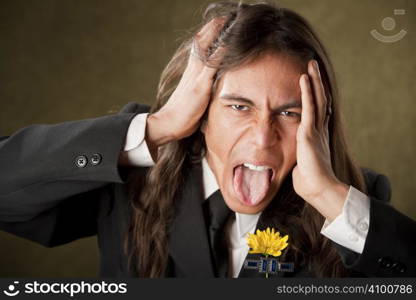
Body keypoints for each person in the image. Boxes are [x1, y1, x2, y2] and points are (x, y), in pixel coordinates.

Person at [0, 1, 415, 278]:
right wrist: (158, 126)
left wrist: (327, 194)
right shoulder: (129, 179)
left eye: (289, 113)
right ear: (200, 112)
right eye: (239, 106)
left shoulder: (349, 208)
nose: (262, 135)